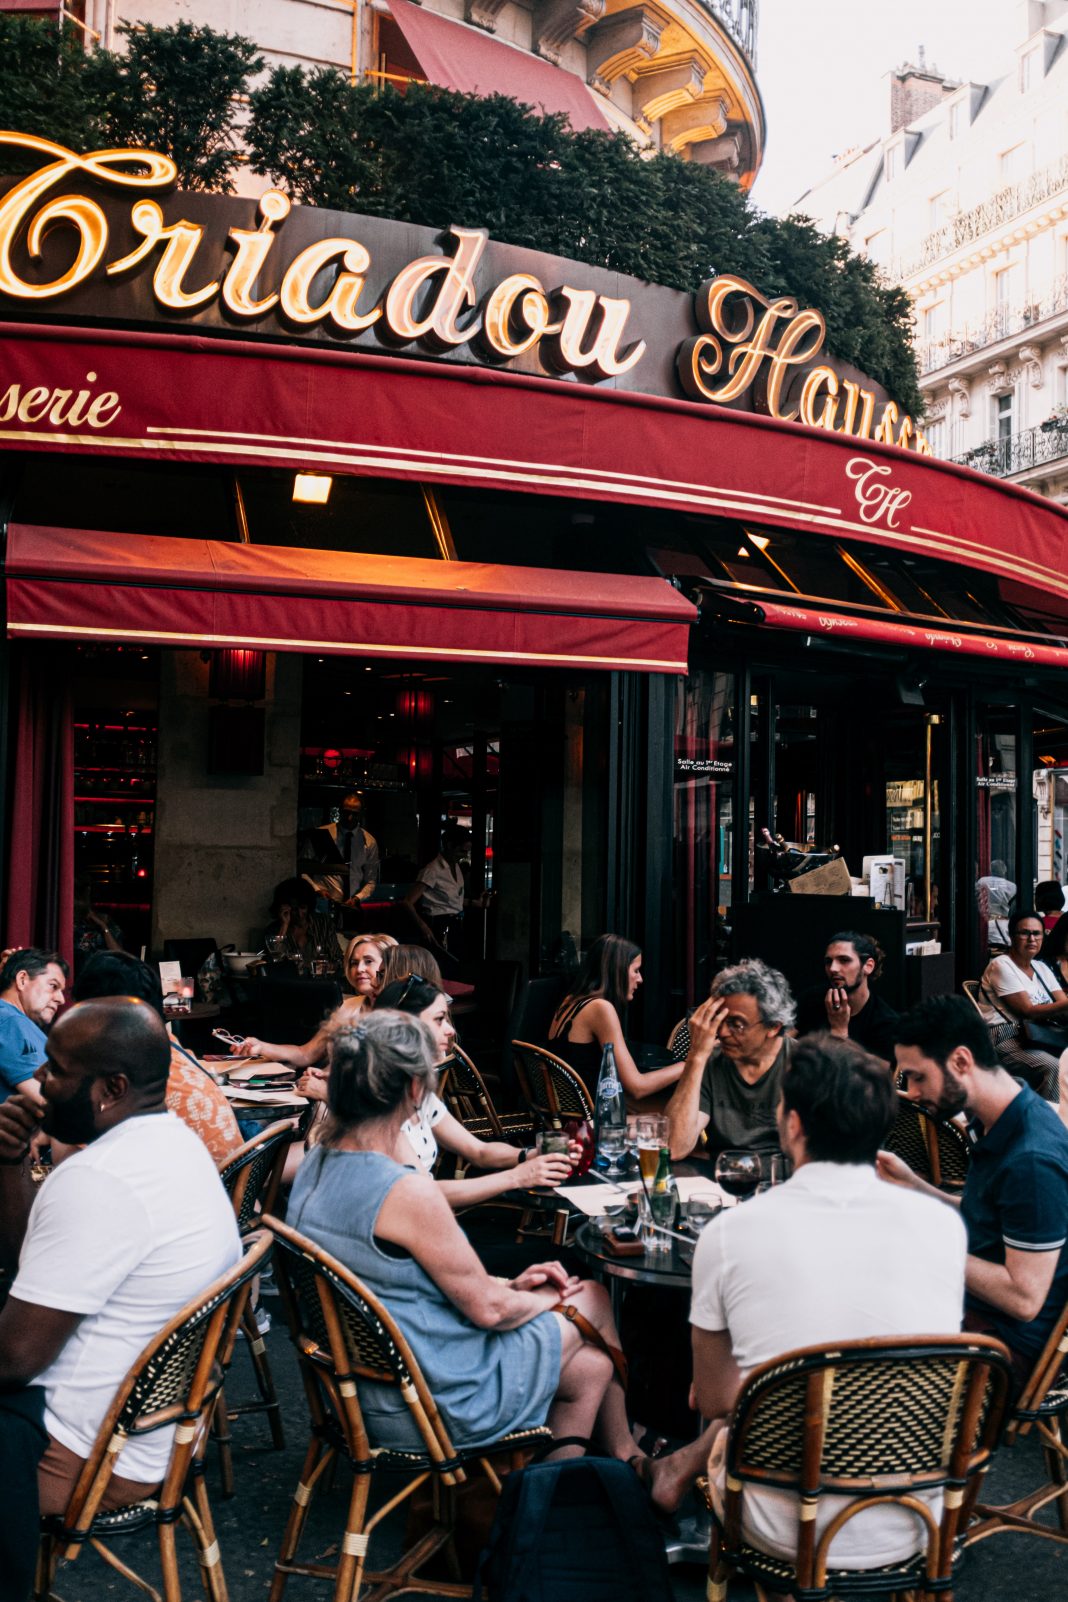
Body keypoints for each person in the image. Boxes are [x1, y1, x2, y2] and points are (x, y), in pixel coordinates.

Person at [653, 1034, 967, 1566]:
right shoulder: (944, 1226)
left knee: (750, 1399)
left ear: (793, 1124)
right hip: (917, 1514)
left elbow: (713, 1401)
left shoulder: (731, 1234)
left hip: (786, 1522)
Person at [286, 1008, 641, 1466]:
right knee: (592, 1297)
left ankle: (557, 1491)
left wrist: (512, 1287)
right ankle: (625, 1455)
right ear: (416, 1090)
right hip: (434, 1401)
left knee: (592, 1368)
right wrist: (544, 1296)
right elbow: (490, 1311)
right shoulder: (404, 1191)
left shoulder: (315, 1164)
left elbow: (395, 1281)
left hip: (357, 1391)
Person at [0, 998, 240, 1593]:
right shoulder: (175, 1146)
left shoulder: (98, 1178)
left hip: (83, 1455)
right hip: (154, 1435)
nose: (40, 1082)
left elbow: (13, 1360)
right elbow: (36, 1263)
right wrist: (10, 1161)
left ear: (111, 1089)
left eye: (57, 1070)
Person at [883, 993, 1068, 1386]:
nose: (911, 1092)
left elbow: (1024, 1299)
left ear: (961, 1062)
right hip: (973, 1318)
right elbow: (987, 1217)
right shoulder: (1001, 1116)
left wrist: (926, 1246)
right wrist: (913, 1185)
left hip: (1001, 1354)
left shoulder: (1032, 1159)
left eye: (918, 1076)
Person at [298, 976, 575, 1206]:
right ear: (405, 1026)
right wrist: (517, 1177)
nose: (451, 1030)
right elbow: (424, 1194)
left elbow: (477, 1151)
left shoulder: (415, 1094)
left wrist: (528, 1156)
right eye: (440, 1019)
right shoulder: (381, 1106)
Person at [73, 950, 243, 1165]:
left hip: (193, 1182)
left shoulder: (126, 1067)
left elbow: (79, 1158)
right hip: (225, 1178)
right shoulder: (167, 1044)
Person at [665, 959, 795, 1161]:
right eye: (719, 1020)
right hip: (722, 1176)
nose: (723, 1032)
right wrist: (696, 1056)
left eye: (736, 1024)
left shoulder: (805, 1064)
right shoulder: (710, 1061)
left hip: (783, 1177)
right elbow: (673, 1147)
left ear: (773, 1026)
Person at [548, 934, 684, 1105]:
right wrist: (691, 1063)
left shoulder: (570, 1001)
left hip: (569, 1110)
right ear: (617, 970)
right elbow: (637, 1087)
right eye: (636, 970)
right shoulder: (600, 1008)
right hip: (591, 1117)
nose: (640, 979)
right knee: (683, 1108)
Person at [231, 933, 391, 1068]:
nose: (359, 969)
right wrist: (260, 1046)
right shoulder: (349, 1006)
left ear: (389, 965)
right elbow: (305, 1054)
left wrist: (325, 1083)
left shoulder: (399, 1011)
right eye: (354, 963)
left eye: (368, 961)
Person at [977, 908, 1068, 1106]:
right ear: (1011, 936)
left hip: (1040, 1034)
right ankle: (1047, 1121)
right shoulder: (1001, 965)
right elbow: (1027, 1011)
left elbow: (1062, 1005)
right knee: (1053, 1067)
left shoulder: (1041, 967)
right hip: (1006, 1036)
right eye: (1024, 933)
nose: (1032, 939)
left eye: (1036, 933)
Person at [794, 931, 899, 1063]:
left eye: (844, 960)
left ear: (868, 966)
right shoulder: (811, 1000)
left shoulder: (886, 1023)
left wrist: (840, 1031)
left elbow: (876, 1072)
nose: (833, 968)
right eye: (828, 961)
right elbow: (781, 1043)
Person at [404, 825, 489, 955]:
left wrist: (475, 903)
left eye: (467, 852)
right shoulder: (432, 870)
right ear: (449, 846)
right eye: (462, 851)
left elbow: (451, 899)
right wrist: (423, 927)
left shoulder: (456, 867)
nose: (465, 855)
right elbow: (407, 902)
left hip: (456, 923)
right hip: (439, 925)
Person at [0, 948, 67, 1105]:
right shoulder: (10, 1020)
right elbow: (49, 1103)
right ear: (22, 980)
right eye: (53, 986)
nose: (61, 999)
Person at [299, 790, 380, 907]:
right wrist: (316, 890)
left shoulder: (369, 841)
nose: (350, 817)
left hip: (352, 906)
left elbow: (371, 880)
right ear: (340, 810)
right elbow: (302, 869)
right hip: (323, 903)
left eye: (355, 814)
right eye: (346, 812)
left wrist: (358, 898)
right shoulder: (321, 835)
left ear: (361, 814)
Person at [264, 876, 337, 964]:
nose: (299, 914)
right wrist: (284, 926)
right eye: (294, 909)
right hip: (289, 973)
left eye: (303, 907)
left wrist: (328, 966)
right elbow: (273, 962)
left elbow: (337, 958)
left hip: (320, 972)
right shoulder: (274, 930)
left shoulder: (323, 924)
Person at [72, 874, 123, 971]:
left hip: (102, 975)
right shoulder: (69, 925)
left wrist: (103, 927)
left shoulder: (105, 921)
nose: (78, 902)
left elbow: (119, 954)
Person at [976, 858, 1016, 948]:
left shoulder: (982, 881)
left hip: (984, 922)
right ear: (1005, 871)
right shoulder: (1012, 886)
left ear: (991, 869)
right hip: (1004, 924)